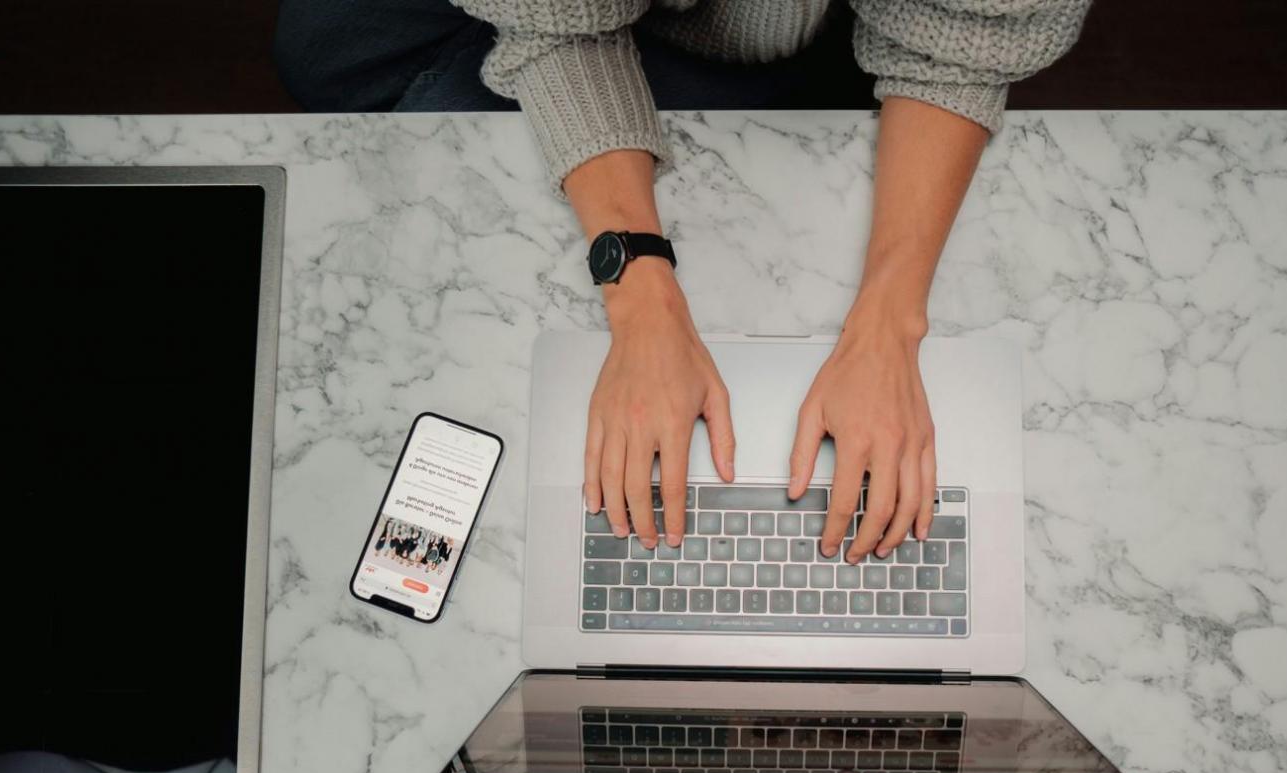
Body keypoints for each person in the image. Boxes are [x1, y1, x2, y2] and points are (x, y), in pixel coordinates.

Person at [276, 0, 1092, 564]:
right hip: (598, 21)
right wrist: (644, 302)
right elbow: (559, 28)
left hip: (794, 36)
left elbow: (959, 41)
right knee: (323, 52)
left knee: (430, 119)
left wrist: (890, 324)